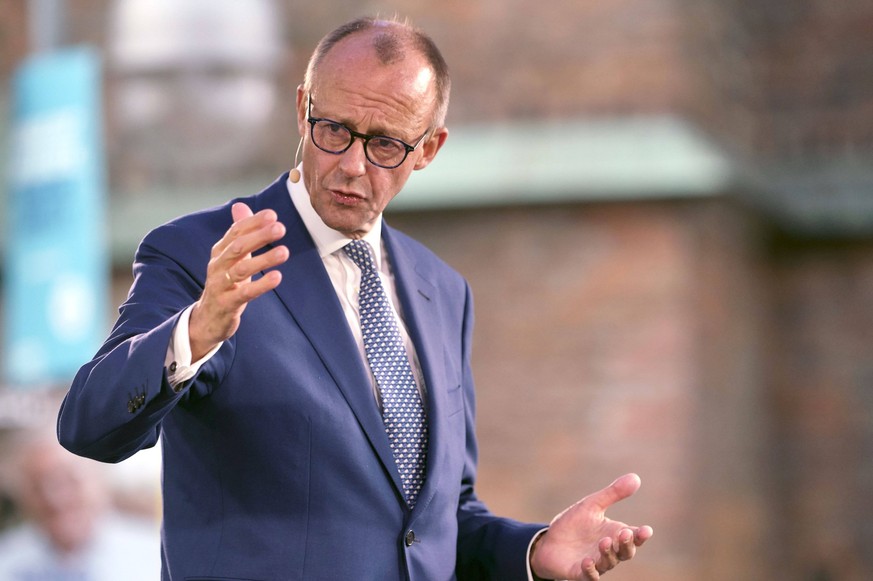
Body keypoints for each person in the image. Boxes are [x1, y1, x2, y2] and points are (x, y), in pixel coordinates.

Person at [58, 16, 653, 581]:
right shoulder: (202, 255)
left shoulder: (443, 291)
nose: (350, 165)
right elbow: (89, 425)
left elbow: (431, 526)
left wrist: (532, 549)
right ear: (302, 110)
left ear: (429, 149)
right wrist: (198, 329)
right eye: (335, 130)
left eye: (386, 145)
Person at [0, 428, 160, 580]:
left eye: (70, 480)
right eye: (37, 486)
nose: (56, 499)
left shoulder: (156, 556)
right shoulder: (6, 562)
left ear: (100, 480)